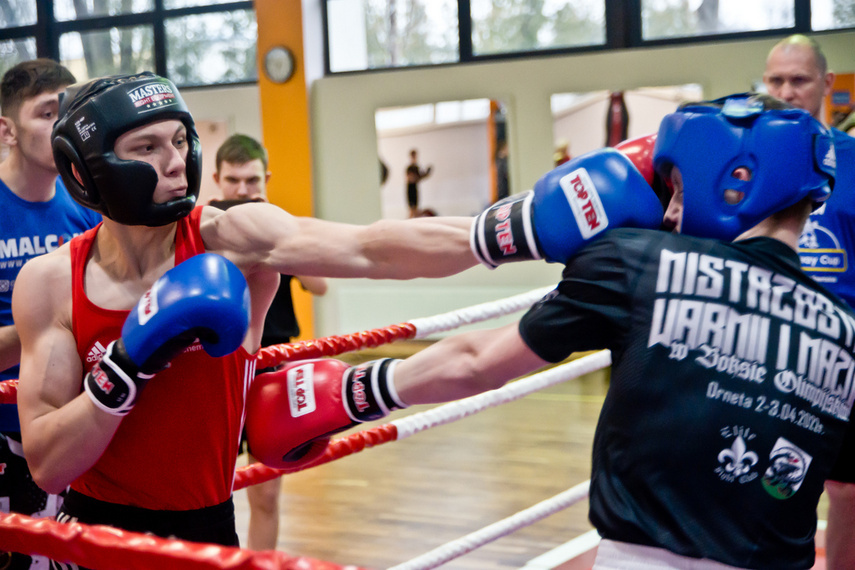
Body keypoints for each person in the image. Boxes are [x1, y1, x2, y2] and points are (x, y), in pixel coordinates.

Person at [15, 70, 643, 557]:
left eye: (180, 140)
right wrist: (127, 366)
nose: (177, 161)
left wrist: (517, 229)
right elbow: (47, 463)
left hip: (204, 526)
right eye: (147, 147)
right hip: (92, 535)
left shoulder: (233, 237)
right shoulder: (50, 283)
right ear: (88, 170)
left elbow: (370, 249)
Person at [250, 94, 855, 569]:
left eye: (677, 188)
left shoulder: (641, 263)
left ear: (735, 177)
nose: (669, 210)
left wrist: (350, 393)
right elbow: (843, 495)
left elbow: (476, 362)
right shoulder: (847, 332)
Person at [0, 59, 101, 569]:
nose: (62, 126)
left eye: (68, 112)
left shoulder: (90, 208)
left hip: (73, 429)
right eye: (46, 113)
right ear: (7, 131)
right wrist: (50, 322)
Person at [210, 133, 327, 551]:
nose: (243, 190)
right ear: (217, 180)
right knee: (209, 493)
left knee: (266, 492)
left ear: (267, 179)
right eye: (234, 180)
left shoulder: (280, 226)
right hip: (216, 368)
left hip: (270, 369)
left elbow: (320, 285)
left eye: (252, 181)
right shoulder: (202, 229)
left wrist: (281, 233)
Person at [763, 34, 855, 308]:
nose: (786, 93)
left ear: (827, 83)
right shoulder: (744, 162)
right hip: (765, 319)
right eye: (776, 81)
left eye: (799, 80)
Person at [405, 148, 432, 218]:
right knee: (412, 210)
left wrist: (427, 173)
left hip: (415, 188)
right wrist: (418, 177)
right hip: (410, 189)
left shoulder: (417, 167)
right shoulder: (410, 168)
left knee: (415, 210)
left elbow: (419, 177)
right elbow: (411, 179)